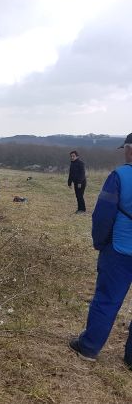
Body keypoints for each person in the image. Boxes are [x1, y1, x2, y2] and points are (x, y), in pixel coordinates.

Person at [69, 133, 132, 366]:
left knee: (106, 300)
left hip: (120, 249)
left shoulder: (120, 176)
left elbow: (103, 215)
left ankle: (89, 347)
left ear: (129, 149)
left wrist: (99, 242)